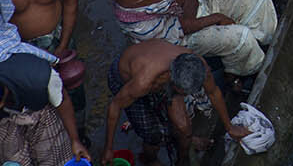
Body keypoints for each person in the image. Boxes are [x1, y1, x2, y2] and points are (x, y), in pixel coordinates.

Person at [104, 42, 250, 164]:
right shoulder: (144, 81)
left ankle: (183, 160)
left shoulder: (198, 66)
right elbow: (115, 106)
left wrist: (229, 127)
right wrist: (109, 148)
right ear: (172, 79)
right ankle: (150, 159)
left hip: (161, 78)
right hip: (125, 80)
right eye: (183, 93)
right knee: (154, 135)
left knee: (184, 128)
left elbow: (213, 93)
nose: (186, 96)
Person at [0, 48, 88, 166]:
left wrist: (75, 140)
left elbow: (62, 101)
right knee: (11, 160)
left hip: (38, 108)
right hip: (2, 122)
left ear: (1, 104)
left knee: (53, 154)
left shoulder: (38, 77)